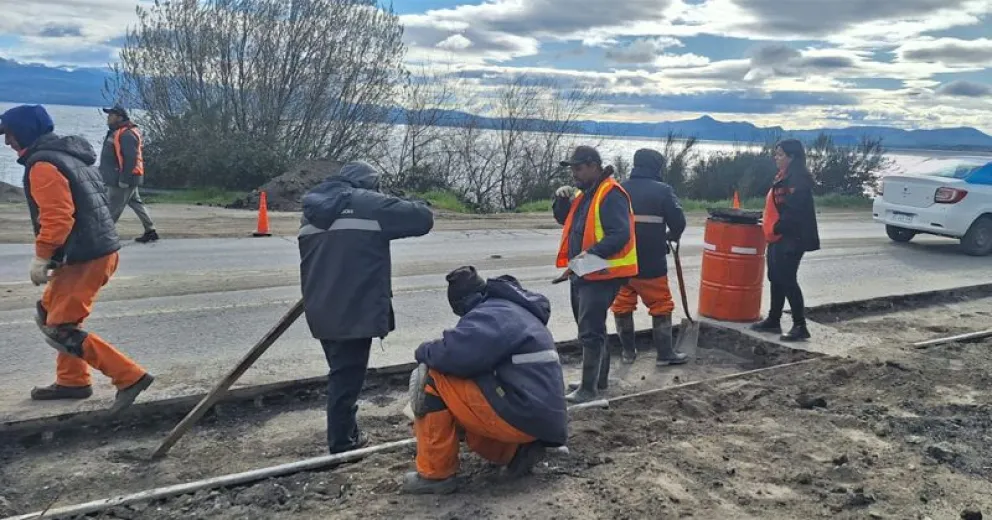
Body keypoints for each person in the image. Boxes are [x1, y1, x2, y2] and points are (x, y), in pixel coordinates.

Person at [1, 104, 154, 412]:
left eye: (9, 135)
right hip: (93, 251)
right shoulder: (71, 156)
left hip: (86, 256)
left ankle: (129, 376)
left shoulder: (44, 164)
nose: (7, 143)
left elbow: (58, 218)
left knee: (61, 327)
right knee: (50, 313)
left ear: (25, 132)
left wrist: (42, 257)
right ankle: (72, 381)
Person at [298, 161, 434, 454]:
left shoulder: (312, 209)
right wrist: (407, 200)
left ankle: (345, 434)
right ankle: (343, 444)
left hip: (322, 305)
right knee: (346, 379)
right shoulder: (366, 202)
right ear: (370, 184)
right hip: (353, 308)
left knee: (340, 372)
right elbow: (422, 218)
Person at [403, 267, 567, 494]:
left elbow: (453, 355)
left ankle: (435, 475)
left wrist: (423, 350)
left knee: (432, 377)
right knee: (462, 389)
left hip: (524, 415)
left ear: (462, 304)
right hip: (539, 419)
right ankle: (515, 451)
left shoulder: (491, 315)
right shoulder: (513, 310)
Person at [553, 146, 637, 404]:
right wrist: (561, 200)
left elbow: (619, 234)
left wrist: (587, 256)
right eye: (572, 170)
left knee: (590, 330)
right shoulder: (586, 193)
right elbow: (564, 219)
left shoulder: (610, 193)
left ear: (593, 166)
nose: (574, 174)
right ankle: (596, 380)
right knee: (591, 328)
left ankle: (589, 389)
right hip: (585, 271)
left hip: (601, 273)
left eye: (578, 169)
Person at [610, 148, 688, 366]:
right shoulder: (663, 191)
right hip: (651, 262)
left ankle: (628, 353)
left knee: (622, 305)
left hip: (622, 263)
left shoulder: (618, 188)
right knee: (660, 305)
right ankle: (665, 355)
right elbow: (678, 223)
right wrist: (671, 236)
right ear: (656, 167)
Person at [751, 139, 820, 342]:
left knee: (788, 280)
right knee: (775, 278)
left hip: (791, 238)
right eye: (776, 153)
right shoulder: (783, 178)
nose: (776, 157)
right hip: (777, 237)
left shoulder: (799, 182)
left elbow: (794, 212)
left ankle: (800, 326)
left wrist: (777, 228)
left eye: (780, 154)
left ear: (792, 157)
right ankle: (774, 319)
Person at [99, 105, 158, 243]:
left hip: (122, 179)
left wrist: (124, 179)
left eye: (111, 115)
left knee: (113, 208)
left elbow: (130, 158)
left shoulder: (126, 134)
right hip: (124, 177)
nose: (108, 117)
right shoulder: (118, 132)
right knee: (136, 203)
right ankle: (150, 230)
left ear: (119, 117)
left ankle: (104, 237)